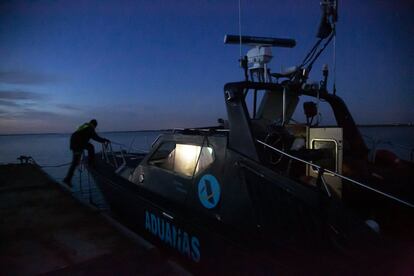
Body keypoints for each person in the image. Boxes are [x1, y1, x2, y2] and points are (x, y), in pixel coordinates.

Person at [63, 119, 109, 186]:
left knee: (90, 148)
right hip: (77, 144)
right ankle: (67, 179)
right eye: (95, 127)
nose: (95, 128)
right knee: (76, 161)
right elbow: (95, 137)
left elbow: (84, 136)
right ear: (94, 125)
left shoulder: (86, 126)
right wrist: (104, 140)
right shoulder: (90, 128)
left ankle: (68, 178)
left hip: (76, 142)